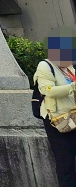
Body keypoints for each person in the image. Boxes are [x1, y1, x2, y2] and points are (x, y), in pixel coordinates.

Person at [34, 35, 76, 187]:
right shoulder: (45, 66)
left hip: (74, 117)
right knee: (65, 162)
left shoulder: (68, 67)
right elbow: (48, 91)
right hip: (58, 120)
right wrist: (72, 87)